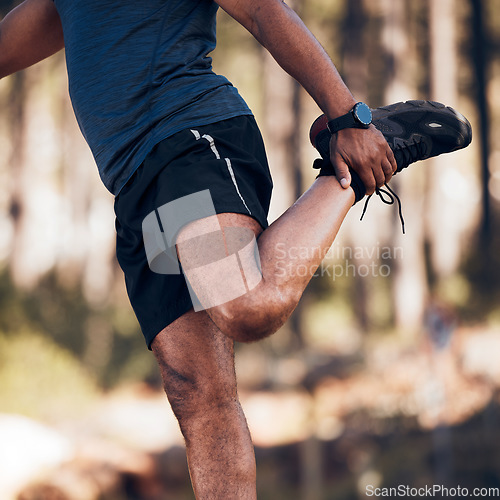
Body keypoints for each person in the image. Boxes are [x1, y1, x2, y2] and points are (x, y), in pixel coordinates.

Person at [0, 0, 471, 497]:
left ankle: (363, 163)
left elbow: (266, 11)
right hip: (135, 186)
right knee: (197, 393)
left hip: (187, 142)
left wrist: (347, 118)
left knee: (245, 304)